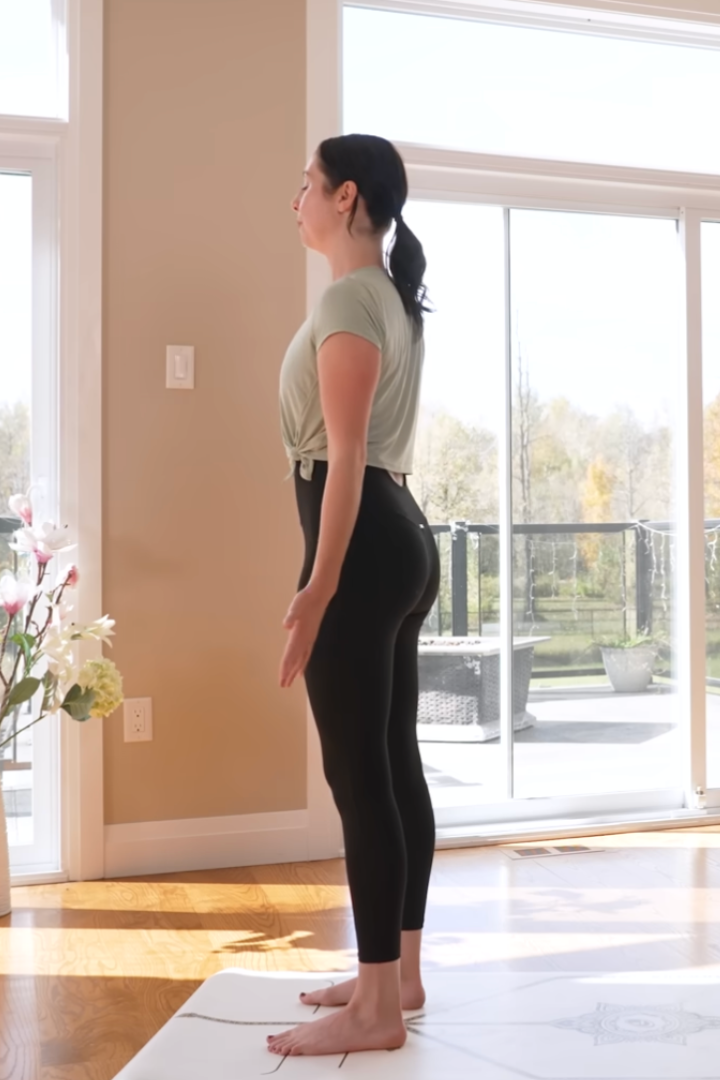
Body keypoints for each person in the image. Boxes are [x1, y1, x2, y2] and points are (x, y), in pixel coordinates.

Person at [269, 133, 439, 1058]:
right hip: (402, 536)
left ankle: (377, 1011)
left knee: (358, 777)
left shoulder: (348, 299)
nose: (294, 199)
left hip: (364, 549)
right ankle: (397, 977)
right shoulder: (392, 301)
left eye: (305, 184)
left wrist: (317, 586)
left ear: (344, 199)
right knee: (393, 765)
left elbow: (341, 457)